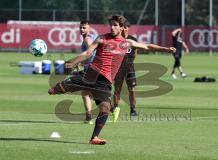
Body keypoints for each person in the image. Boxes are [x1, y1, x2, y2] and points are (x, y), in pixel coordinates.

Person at [48, 14, 176, 145]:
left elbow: (147, 46)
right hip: (93, 72)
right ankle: (57, 88)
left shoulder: (127, 43)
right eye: (111, 25)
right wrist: (70, 63)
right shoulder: (102, 38)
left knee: (105, 108)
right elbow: (87, 54)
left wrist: (165, 49)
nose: (112, 28)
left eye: (115, 25)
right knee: (66, 86)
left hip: (105, 81)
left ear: (121, 28)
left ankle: (94, 138)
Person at [111, 20, 138, 122]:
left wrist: (130, 62)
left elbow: (135, 53)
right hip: (118, 68)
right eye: (123, 27)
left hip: (130, 67)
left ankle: (133, 109)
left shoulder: (132, 39)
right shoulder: (116, 40)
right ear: (121, 28)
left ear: (128, 28)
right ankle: (116, 108)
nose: (124, 29)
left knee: (132, 89)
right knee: (117, 89)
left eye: (126, 27)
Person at [79, 20, 97, 124]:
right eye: (80, 27)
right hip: (94, 67)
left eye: (84, 28)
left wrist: (81, 61)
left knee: (86, 93)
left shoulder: (87, 39)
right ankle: (88, 117)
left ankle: (89, 118)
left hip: (91, 68)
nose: (81, 30)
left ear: (89, 28)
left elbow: (90, 51)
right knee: (87, 93)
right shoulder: (94, 36)